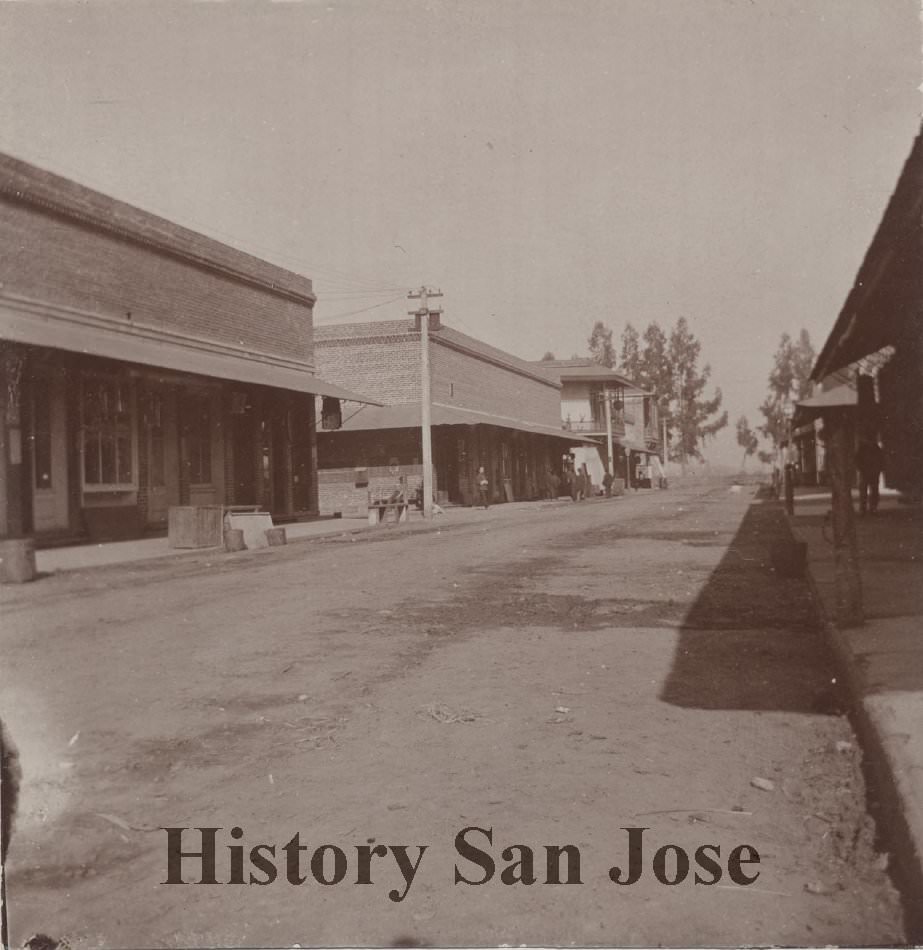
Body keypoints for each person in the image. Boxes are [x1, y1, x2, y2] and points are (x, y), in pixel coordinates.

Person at [855, 438, 884, 515]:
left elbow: (881, 460)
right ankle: (865, 508)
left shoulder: (875, 448)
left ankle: (871, 508)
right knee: (865, 491)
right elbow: (857, 460)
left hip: (872, 472)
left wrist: (879, 469)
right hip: (866, 472)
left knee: (872, 491)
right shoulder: (864, 449)